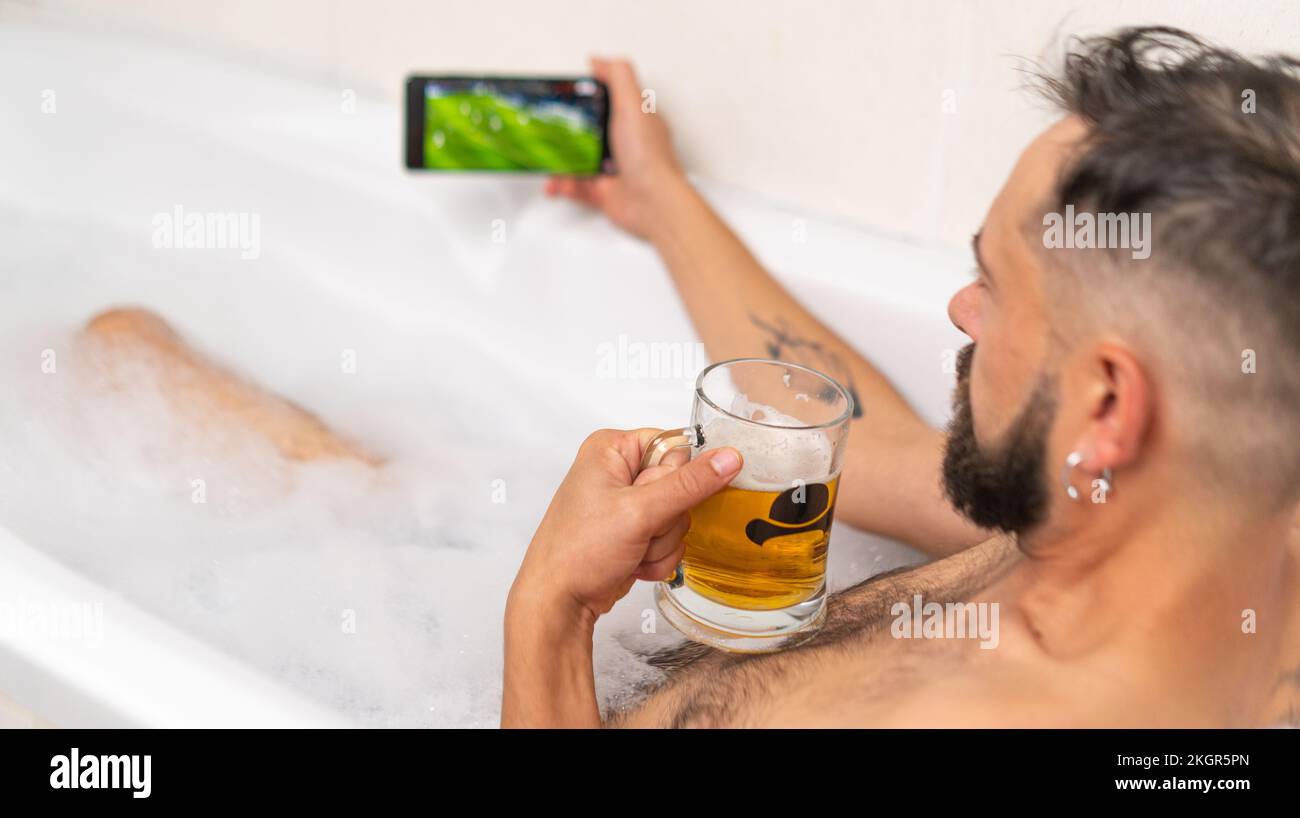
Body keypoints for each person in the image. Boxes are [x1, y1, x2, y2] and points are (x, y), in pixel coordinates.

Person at [501, 27, 1300, 727]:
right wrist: (658, 195)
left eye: (994, 284)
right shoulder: (1139, 526)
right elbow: (874, 449)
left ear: (1108, 408)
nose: (960, 309)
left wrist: (550, 610)